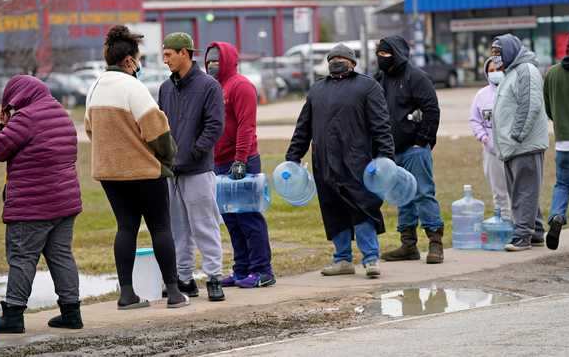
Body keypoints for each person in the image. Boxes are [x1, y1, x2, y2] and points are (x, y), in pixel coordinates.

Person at [85, 25, 188, 309]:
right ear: (129, 60)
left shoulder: (94, 88)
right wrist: (167, 158)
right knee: (160, 228)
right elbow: (157, 132)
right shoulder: (134, 87)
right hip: (144, 173)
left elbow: (90, 130)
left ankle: (127, 294)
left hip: (109, 173)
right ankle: (174, 292)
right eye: (138, 58)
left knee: (125, 228)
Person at [286, 43, 394, 278]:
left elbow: (381, 125)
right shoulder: (317, 90)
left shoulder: (367, 86)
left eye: (342, 58)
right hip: (324, 162)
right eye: (333, 58)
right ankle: (342, 259)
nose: (337, 61)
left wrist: (385, 156)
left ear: (353, 63)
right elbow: (303, 127)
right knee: (333, 210)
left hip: (358, 162)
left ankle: (371, 259)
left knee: (363, 208)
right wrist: (292, 157)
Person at [0, 75, 83, 333]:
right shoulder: (61, 114)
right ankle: (71, 312)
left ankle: (13, 315)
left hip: (33, 205)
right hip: (64, 201)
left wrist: (3, 125)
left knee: (22, 256)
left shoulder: (25, 118)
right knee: (61, 255)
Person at [159, 32, 226, 301]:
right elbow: (160, 125)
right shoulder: (165, 88)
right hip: (171, 171)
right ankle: (184, 279)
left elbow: (214, 125)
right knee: (178, 228)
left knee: (204, 225)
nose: (165, 60)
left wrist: (196, 152)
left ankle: (214, 277)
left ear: (184, 53)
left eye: (168, 55)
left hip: (198, 169)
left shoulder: (208, 86)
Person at [205, 41, 275, 288]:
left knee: (248, 218)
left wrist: (240, 159)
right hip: (219, 163)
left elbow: (247, 125)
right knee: (231, 220)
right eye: (209, 60)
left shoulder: (240, 86)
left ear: (228, 60)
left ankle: (262, 270)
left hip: (241, 162)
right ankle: (241, 269)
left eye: (217, 60)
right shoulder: (212, 87)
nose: (212, 64)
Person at [375, 36, 444, 264]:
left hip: (415, 149)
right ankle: (408, 244)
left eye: (385, 54)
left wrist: (422, 141)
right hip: (390, 151)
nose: (381, 58)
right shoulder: (380, 79)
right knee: (401, 196)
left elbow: (431, 110)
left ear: (397, 54)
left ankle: (435, 242)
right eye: (379, 54)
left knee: (423, 192)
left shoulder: (417, 78)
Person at [491, 34, 549, 251]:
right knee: (524, 189)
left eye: (498, 52)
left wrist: (516, 134)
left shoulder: (526, 71)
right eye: (493, 53)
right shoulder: (510, 73)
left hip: (523, 144)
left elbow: (530, 105)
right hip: (511, 145)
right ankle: (536, 231)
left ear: (509, 51)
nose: (495, 57)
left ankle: (522, 236)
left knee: (523, 190)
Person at [544, 30, 569, 250]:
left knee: (563, 185)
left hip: (564, 142)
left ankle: (556, 216)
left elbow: (549, 109)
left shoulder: (552, 73)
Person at [469, 58, 512, 220]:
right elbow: (474, 120)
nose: (495, 73)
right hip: (491, 151)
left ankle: (520, 225)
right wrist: (483, 137)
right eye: (491, 71)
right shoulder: (481, 95)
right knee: (499, 192)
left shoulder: (512, 91)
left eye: (498, 69)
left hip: (513, 150)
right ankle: (504, 222)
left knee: (516, 190)